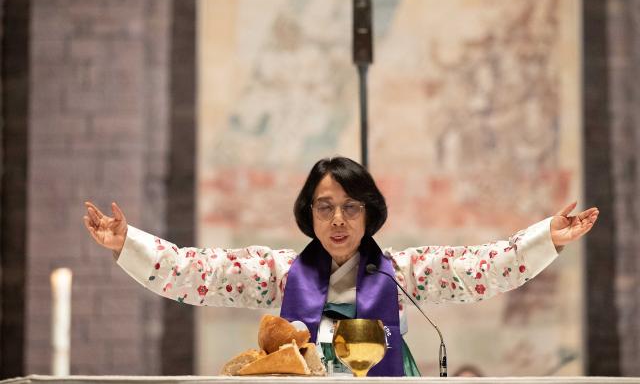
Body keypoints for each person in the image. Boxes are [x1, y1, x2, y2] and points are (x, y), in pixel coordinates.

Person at [83, 156, 598, 377]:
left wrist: (544, 238)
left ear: (370, 213)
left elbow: (479, 267)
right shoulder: (278, 272)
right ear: (308, 214)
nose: (338, 219)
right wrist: (128, 242)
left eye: (352, 207)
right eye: (325, 206)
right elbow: (197, 273)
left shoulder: (402, 272)